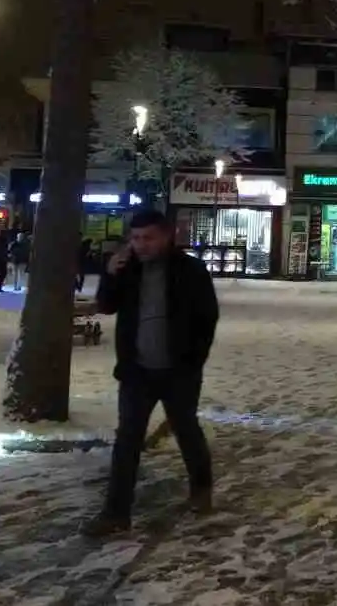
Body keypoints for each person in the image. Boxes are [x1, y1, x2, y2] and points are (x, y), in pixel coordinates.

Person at [81, 210, 219, 538]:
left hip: (179, 372)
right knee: (127, 439)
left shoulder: (190, 270)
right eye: (136, 237)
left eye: (148, 237)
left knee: (187, 430)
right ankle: (116, 513)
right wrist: (110, 275)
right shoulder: (127, 269)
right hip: (136, 372)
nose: (140, 244)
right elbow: (106, 306)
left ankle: (201, 489)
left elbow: (206, 319)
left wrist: (192, 361)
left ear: (166, 236)